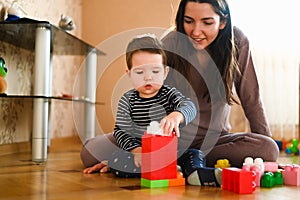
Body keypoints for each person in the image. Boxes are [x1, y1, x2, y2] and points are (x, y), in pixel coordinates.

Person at [82, 34, 223, 187]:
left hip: (172, 154)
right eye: (140, 72)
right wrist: (137, 151)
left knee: (195, 154)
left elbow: (189, 106)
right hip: (142, 156)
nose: (148, 78)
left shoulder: (169, 94)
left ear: (165, 72)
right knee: (116, 160)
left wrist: (177, 115)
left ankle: (197, 173)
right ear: (129, 74)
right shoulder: (127, 100)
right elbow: (121, 131)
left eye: (155, 71)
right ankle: (163, 171)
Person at [161, 0, 279, 169]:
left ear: (223, 22)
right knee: (110, 143)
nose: (195, 31)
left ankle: (187, 160)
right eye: (188, 21)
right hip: (172, 141)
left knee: (267, 148)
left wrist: (268, 158)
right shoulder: (170, 43)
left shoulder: (237, 41)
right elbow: (146, 94)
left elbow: (251, 97)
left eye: (207, 22)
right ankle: (184, 160)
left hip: (216, 143)